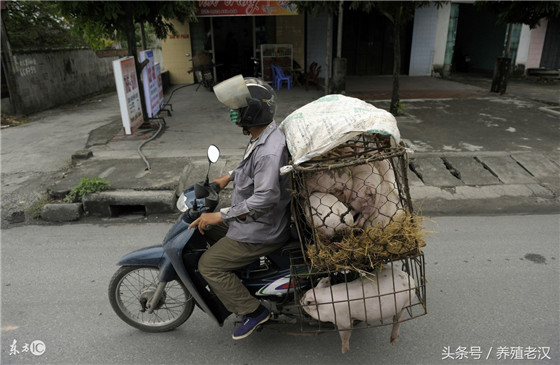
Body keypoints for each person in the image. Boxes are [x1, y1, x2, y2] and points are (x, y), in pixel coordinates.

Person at [188, 76, 291, 340]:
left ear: (253, 111)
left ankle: (253, 311)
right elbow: (251, 166)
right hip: (253, 222)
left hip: (261, 230)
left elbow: (265, 197)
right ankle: (239, 282)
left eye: (238, 108)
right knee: (203, 229)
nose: (233, 113)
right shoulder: (263, 135)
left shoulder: (269, 150)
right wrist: (229, 176)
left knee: (208, 265)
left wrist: (220, 214)